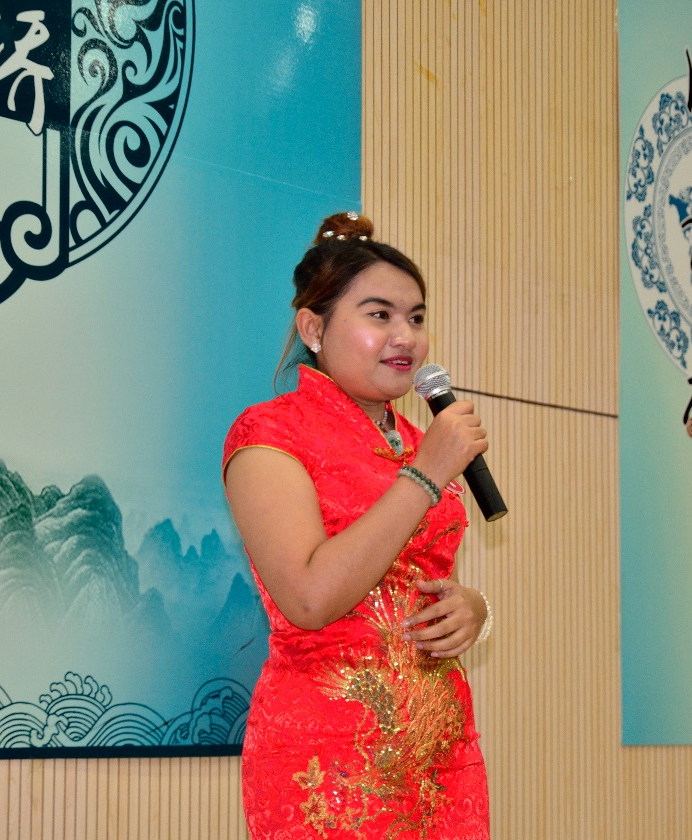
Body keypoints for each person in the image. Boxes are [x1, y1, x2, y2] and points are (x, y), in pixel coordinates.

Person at [223, 211, 493, 839]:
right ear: (313, 328)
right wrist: (426, 475)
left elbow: (413, 580)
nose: (407, 337)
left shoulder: (420, 444)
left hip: (440, 755)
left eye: (417, 318)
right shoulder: (268, 434)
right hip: (328, 760)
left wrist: (474, 610)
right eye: (380, 315)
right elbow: (309, 598)